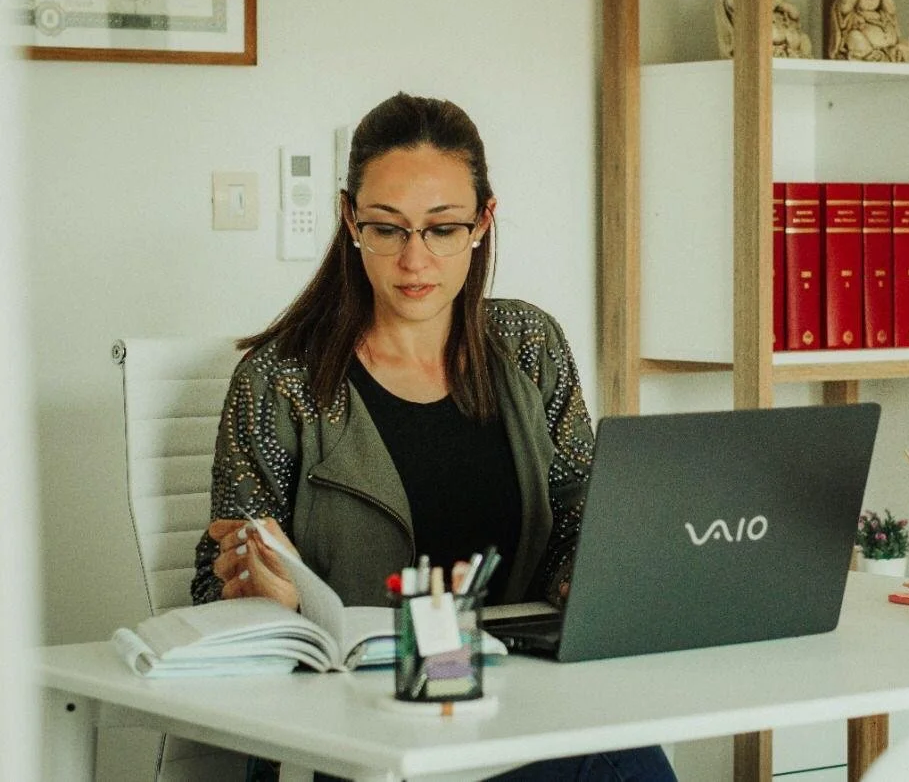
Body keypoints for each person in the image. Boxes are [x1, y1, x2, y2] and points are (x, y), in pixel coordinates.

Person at [192, 92, 676, 782]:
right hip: (354, 728)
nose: (414, 260)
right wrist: (262, 599)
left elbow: (578, 514)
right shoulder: (282, 381)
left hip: (514, 701)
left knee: (623, 750)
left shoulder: (529, 346)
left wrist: (586, 578)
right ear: (348, 219)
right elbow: (212, 588)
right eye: (386, 229)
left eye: (442, 228)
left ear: (483, 221)